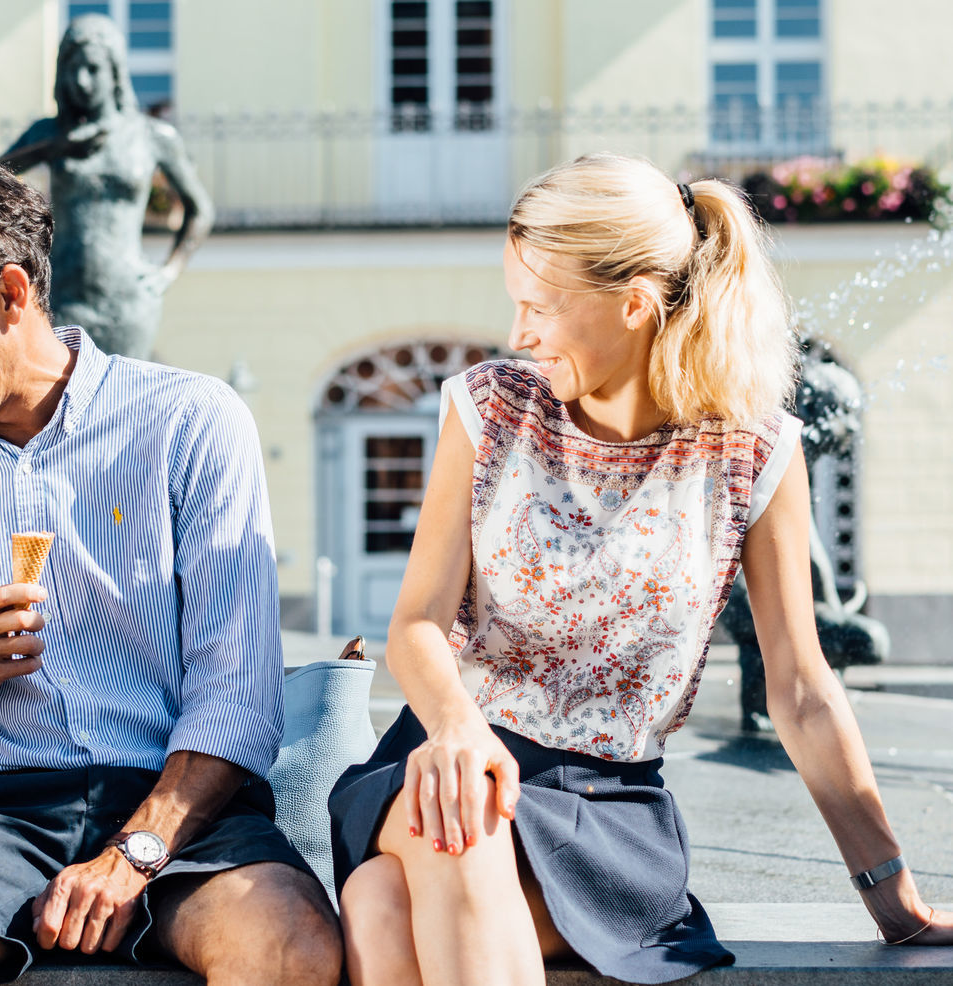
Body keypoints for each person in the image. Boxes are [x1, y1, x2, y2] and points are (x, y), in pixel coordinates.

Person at [328, 152, 952, 986]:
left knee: (378, 901)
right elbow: (415, 626)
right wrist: (456, 727)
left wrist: (893, 899)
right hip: (448, 758)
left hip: (608, 809)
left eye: (539, 308)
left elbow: (801, 691)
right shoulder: (490, 407)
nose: (518, 334)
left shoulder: (754, 450)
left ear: (633, 304)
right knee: (459, 824)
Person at [0, 156, 340, 986]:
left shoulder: (190, 422)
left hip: (182, 814)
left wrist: (136, 854)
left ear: (12, 295)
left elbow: (237, 699)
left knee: (292, 947)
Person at [0, 13, 212, 361]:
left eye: (93, 69)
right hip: (60, 296)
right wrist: (51, 149)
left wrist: (169, 271)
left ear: (114, 71)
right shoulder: (48, 134)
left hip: (128, 300)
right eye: (72, 69)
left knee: (125, 406)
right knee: (60, 406)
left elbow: (200, 209)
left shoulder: (152, 137)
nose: (81, 81)